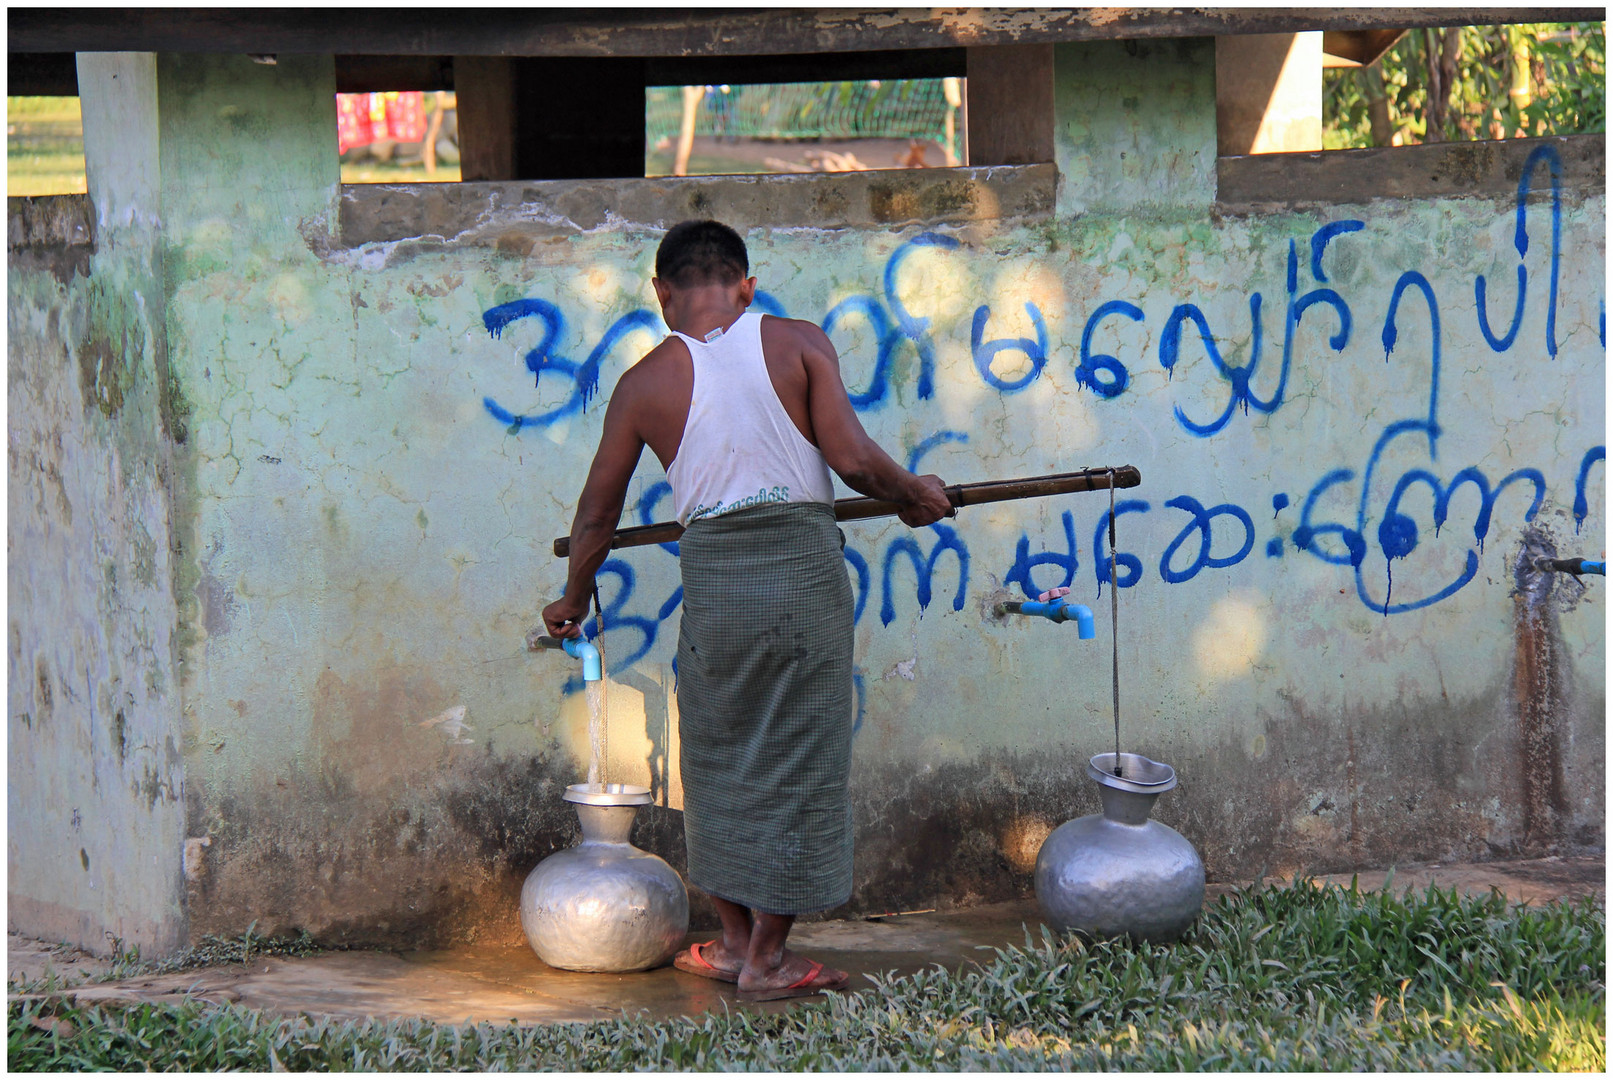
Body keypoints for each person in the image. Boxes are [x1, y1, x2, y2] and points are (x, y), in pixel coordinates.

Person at [542, 219, 952, 1000]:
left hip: (716, 589)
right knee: (799, 760)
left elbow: (594, 519)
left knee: (719, 761)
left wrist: (572, 597)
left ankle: (734, 945)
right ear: (747, 285)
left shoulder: (642, 384)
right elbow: (855, 460)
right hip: (802, 578)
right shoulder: (799, 342)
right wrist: (914, 495)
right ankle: (765, 956)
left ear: (662, 295)